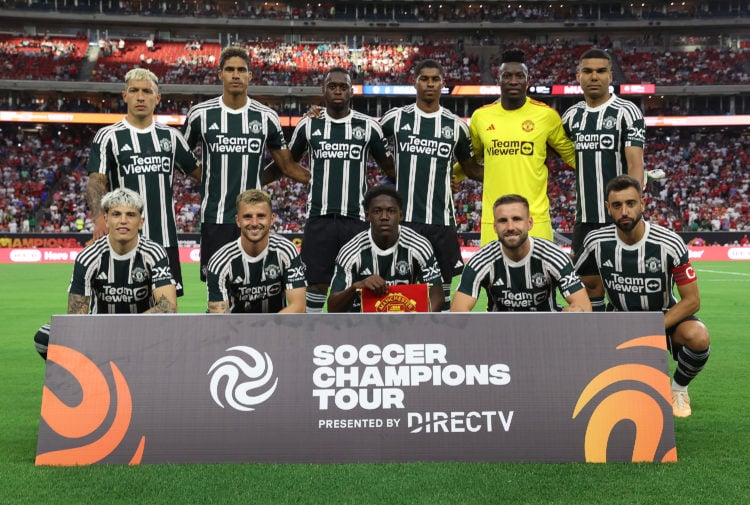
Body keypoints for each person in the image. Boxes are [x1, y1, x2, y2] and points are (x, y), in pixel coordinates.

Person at [574, 175, 711, 417]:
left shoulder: (670, 243)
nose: (624, 211)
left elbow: (692, 301)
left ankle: (678, 389)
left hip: (663, 318)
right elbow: (588, 284)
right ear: (608, 208)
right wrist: (592, 324)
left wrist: (651, 328)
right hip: (617, 320)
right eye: (617, 205)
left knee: (698, 338)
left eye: (631, 203)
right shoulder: (596, 241)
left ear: (643, 203)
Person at [271, 67, 394, 313]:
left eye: (343, 86)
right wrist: (310, 178)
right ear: (323, 90)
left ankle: (357, 335)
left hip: (357, 220)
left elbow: (391, 168)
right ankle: (315, 337)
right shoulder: (309, 124)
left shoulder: (368, 126)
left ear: (351, 91)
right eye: (332, 86)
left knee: (362, 281)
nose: (338, 90)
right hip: (319, 218)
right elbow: (287, 162)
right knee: (315, 284)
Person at [183, 46, 310, 283]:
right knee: (216, 286)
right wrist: (212, 176)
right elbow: (182, 158)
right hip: (216, 217)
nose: (235, 75)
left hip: (254, 218)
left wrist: (317, 181)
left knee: (257, 283)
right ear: (220, 74)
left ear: (250, 76)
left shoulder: (266, 116)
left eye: (241, 70)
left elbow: (285, 165)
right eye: (230, 69)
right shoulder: (199, 114)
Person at [87, 67, 200, 297]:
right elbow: (96, 181)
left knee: (166, 309)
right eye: (134, 90)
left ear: (157, 98)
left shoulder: (171, 137)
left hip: (164, 239)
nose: (140, 97)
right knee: (120, 302)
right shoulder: (108, 136)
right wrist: (99, 219)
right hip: (123, 239)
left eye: (147, 91)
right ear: (124, 96)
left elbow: (202, 174)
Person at [380, 59, 481, 309]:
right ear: (415, 82)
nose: (429, 84)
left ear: (443, 84)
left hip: (441, 222)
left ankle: (441, 339)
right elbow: (366, 140)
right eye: (424, 78)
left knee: (442, 293)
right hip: (404, 221)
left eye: (435, 79)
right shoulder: (395, 118)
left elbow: (469, 168)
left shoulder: (456, 126)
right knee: (400, 287)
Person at [34, 188, 177, 360]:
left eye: (130, 215)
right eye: (116, 214)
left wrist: (124, 329)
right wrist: (106, 333)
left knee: (184, 335)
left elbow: (168, 307)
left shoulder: (154, 253)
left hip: (143, 334)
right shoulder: (88, 257)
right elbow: (76, 317)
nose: (123, 221)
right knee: (44, 336)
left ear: (141, 222)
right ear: (106, 220)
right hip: (100, 335)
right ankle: (82, 379)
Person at [459, 49, 575, 246]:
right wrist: (449, 176)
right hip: (494, 219)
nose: (513, 81)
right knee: (495, 277)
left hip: (535, 219)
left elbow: (573, 157)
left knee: (538, 276)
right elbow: (470, 160)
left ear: (527, 80)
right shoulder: (481, 117)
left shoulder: (546, 116)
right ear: (498, 80)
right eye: (507, 76)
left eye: (519, 76)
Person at [561, 48, 646, 311]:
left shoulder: (627, 112)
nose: (594, 77)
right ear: (578, 76)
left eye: (600, 71)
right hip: (585, 218)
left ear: (611, 75)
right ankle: (596, 344)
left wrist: (631, 209)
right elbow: (554, 150)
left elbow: (635, 164)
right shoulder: (571, 116)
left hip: (619, 217)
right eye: (587, 71)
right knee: (589, 284)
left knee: (628, 283)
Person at [451, 194, 590, 312]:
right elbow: (458, 313)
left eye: (517, 219)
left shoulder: (553, 256)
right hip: (499, 337)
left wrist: (572, 313)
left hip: (547, 334)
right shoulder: (481, 260)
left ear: (529, 223)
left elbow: (584, 307)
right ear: (494, 226)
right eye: (503, 221)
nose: (510, 227)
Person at [327, 185, 444, 313]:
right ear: (367, 216)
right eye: (377, 211)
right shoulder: (350, 252)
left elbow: (437, 297)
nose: (384, 217)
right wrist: (356, 287)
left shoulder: (419, 246)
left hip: (406, 322)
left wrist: (414, 325)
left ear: (401, 215)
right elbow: (332, 308)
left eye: (391, 211)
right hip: (362, 326)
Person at [206, 189, 306, 313]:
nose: (254, 223)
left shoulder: (286, 251)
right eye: (247, 217)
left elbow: (298, 307)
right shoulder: (220, 262)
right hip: (235, 330)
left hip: (277, 329)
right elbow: (219, 319)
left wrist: (264, 331)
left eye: (261, 216)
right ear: (238, 220)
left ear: (272, 219)